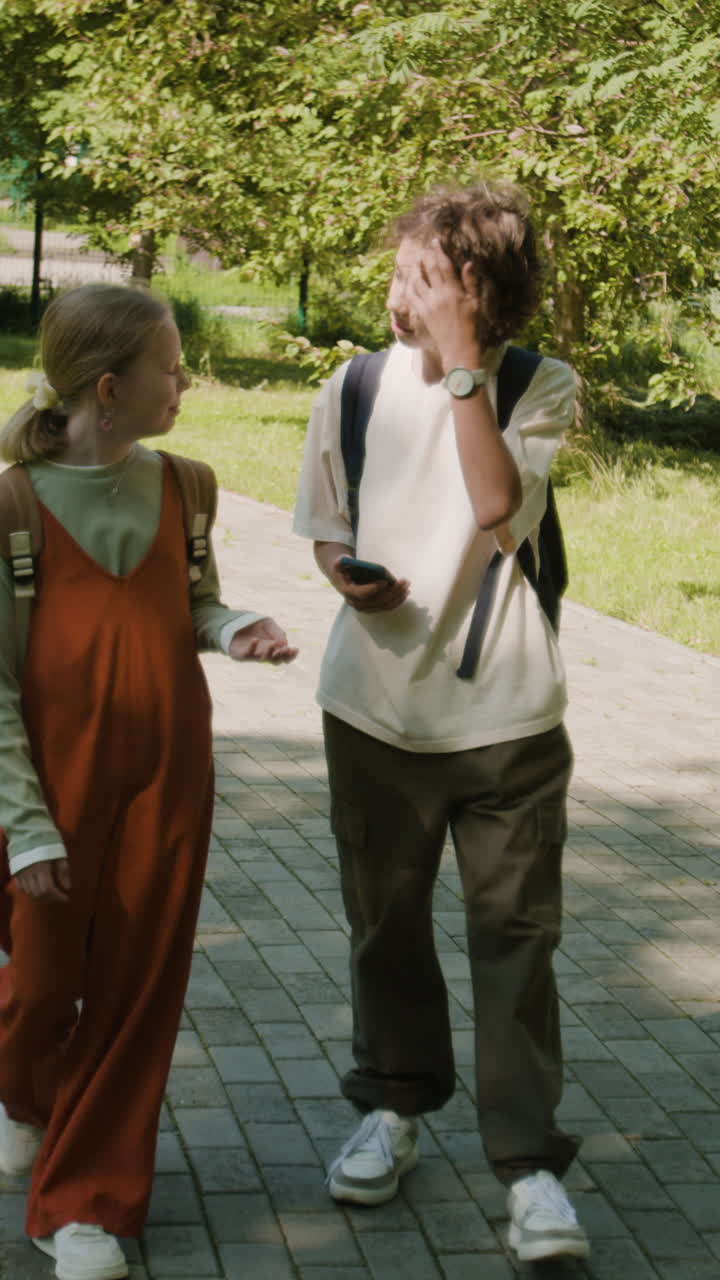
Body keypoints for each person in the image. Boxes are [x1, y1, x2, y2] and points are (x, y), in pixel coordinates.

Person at [293, 181, 589, 1263]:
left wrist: (464, 360)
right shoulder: (354, 384)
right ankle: (395, 1104)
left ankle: (528, 1167)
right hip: (372, 709)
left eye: (416, 274)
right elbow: (324, 523)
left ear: (471, 289)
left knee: (516, 940)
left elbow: (498, 504)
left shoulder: (533, 385)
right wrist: (346, 577)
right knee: (387, 925)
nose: (392, 291)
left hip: (505, 720)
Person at [0, 282, 297, 1280]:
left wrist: (234, 627)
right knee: (42, 984)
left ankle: (83, 1202)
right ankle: (21, 1090)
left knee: (134, 992)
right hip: (49, 787)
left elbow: (195, 601)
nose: (189, 380)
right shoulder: (12, 504)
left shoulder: (187, 486)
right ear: (112, 386)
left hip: (168, 779)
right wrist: (29, 825)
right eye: (173, 365)